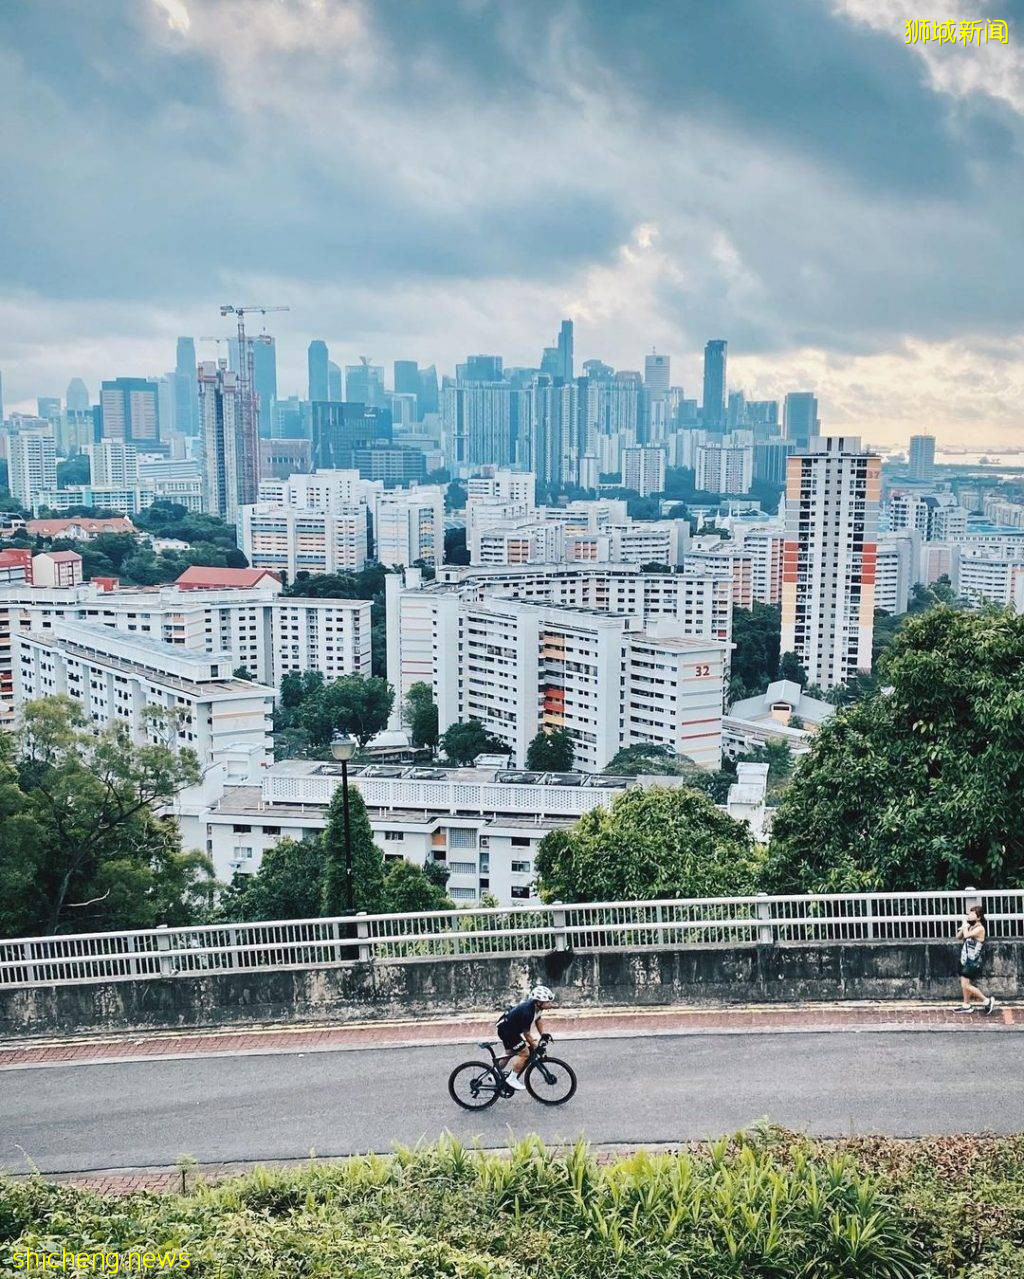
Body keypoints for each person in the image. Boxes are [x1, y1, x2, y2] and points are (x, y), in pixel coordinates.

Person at [496, 985, 555, 1091]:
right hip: (508, 1031)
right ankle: (512, 1079)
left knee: (510, 1052)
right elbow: (527, 1034)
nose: (551, 1004)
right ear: (539, 1002)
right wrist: (535, 1045)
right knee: (525, 1053)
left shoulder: (537, 1007)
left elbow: (538, 1020)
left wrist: (543, 1035)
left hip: (507, 1028)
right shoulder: (527, 1011)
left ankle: (494, 1074)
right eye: (548, 1002)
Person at [956, 904, 996, 1014]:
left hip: (973, 961)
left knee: (965, 985)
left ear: (978, 917)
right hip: (965, 959)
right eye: (969, 913)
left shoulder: (980, 928)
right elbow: (958, 936)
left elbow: (967, 935)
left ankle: (986, 1000)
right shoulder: (970, 926)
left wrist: (965, 927)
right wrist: (964, 926)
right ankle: (966, 1004)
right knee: (965, 983)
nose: (969, 915)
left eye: (972, 914)